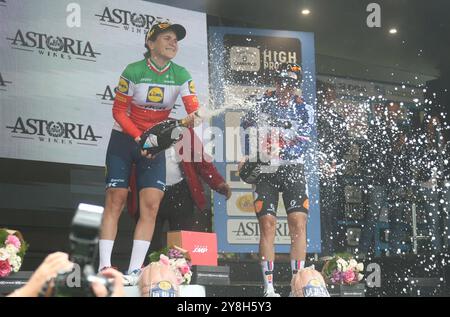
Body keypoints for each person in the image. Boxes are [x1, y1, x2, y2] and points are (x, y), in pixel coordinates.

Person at [99, 22, 201, 285]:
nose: (173, 43)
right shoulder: (133, 71)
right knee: (116, 199)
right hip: (125, 138)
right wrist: (139, 139)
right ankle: (105, 267)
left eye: (176, 40)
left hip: (155, 144)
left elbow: (193, 109)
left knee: (152, 205)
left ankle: (134, 271)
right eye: (167, 38)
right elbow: (119, 112)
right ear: (150, 43)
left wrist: (193, 117)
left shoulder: (181, 74)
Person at [240, 63, 314, 297]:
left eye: (291, 83)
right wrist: (248, 155)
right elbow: (245, 128)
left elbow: (303, 141)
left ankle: (297, 287)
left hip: (293, 168)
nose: (286, 87)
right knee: (267, 226)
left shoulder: (305, 109)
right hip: (265, 170)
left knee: (298, 224)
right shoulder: (260, 102)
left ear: (296, 86)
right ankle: (269, 288)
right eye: (282, 82)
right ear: (275, 81)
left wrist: (280, 153)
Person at [128, 127, 231, 252]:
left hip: (180, 191)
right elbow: (127, 160)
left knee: (181, 243)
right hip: (149, 190)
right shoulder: (139, 129)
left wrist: (218, 182)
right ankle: (145, 269)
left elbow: (201, 159)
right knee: (150, 242)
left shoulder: (182, 129)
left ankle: (180, 269)